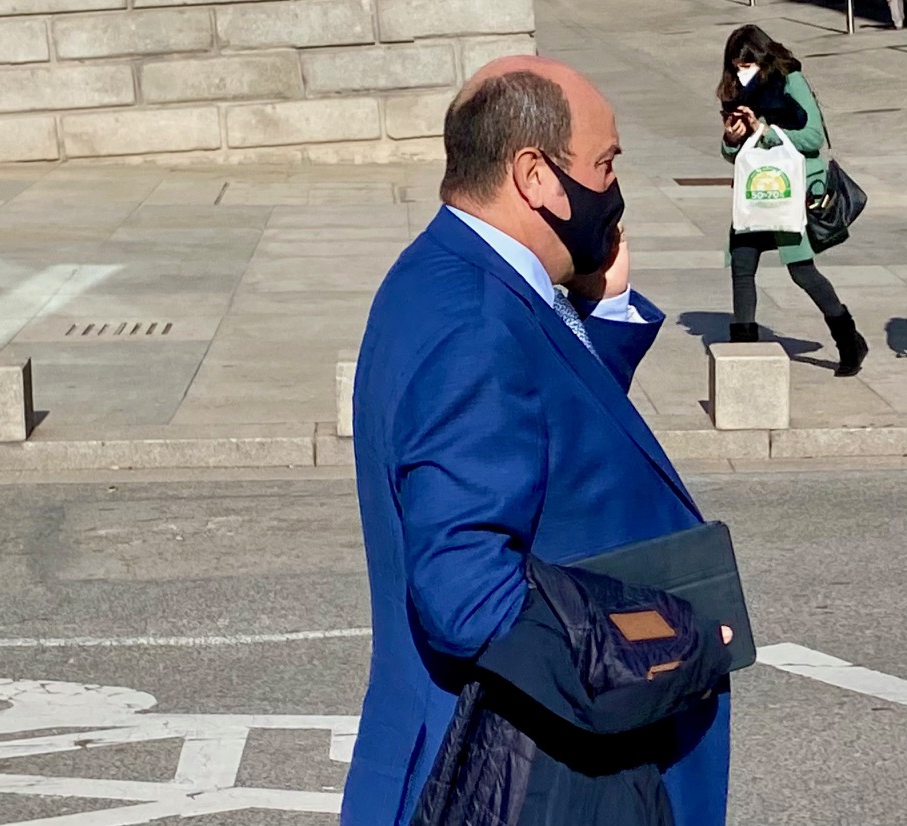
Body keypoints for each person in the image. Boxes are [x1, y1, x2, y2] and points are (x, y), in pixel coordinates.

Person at [341, 55, 731, 826]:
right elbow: (467, 591)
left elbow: (538, 430)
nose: (613, 190)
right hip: (522, 781)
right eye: (603, 164)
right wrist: (669, 641)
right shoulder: (475, 322)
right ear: (536, 176)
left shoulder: (458, 274)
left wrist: (604, 316)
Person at [719, 24, 868, 377]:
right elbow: (734, 154)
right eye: (737, 65)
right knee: (742, 264)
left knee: (801, 270)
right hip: (756, 193)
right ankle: (744, 353)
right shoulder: (734, 94)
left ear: (763, 57)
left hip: (790, 192)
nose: (743, 71)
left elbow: (813, 135)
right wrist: (731, 137)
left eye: (748, 63)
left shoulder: (790, 80)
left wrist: (765, 131)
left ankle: (849, 339)